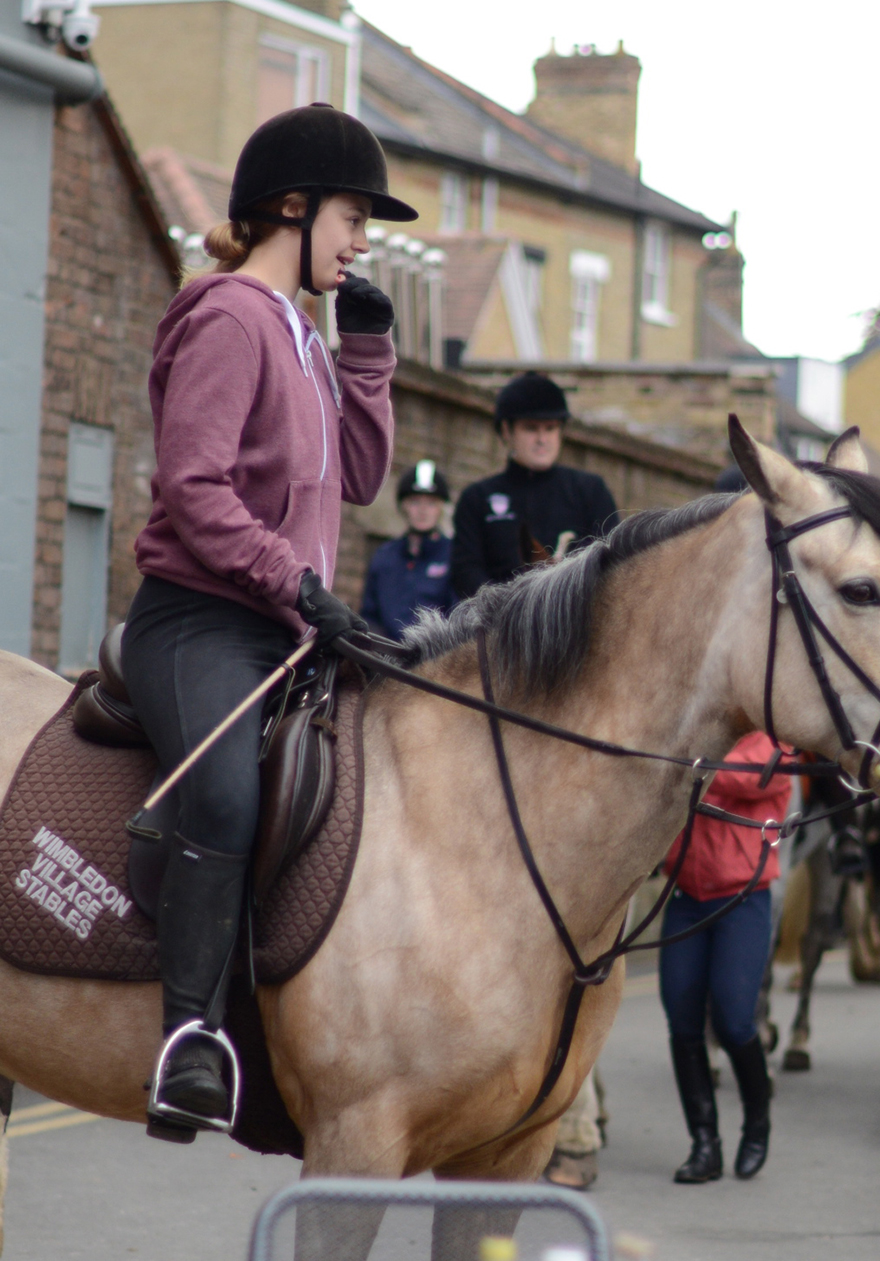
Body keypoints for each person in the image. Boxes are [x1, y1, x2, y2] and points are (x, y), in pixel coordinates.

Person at [120, 102, 416, 1139]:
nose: (363, 237)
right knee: (228, 797)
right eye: (352, 215)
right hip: (200, 624)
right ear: (292, 207)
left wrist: (367, 352)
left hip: (285, 631)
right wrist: (293, 584)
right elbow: (194, 490)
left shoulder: (299, 330)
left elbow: (365, 477)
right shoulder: (226, 317)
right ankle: (187, 1043)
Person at [658, 730, 790, 1184]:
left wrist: (685, 758)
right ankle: (704, 1145)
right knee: (683, 1020)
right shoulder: (701, 729)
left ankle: (757, 1122)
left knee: (735, 1021)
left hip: (742, 898)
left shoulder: (774, 740)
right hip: (686, 896)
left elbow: (745, 779)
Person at [449, 372, 618, 597]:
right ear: (507, 431)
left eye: (550, 428)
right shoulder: (477, 499)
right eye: (531, 428)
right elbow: (466, 572)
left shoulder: (590, 491)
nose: (542, 439)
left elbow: (613, 564)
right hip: (501, 622)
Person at [360, 459, 456, 639]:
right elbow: (369, 615)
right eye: (415, 501)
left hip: (434, 657)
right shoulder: (384, 556)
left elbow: (457, 616)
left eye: (431, 503)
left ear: (441, 508)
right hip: (385, 656)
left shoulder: (454, 555)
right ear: (402, 505)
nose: (423, 510)